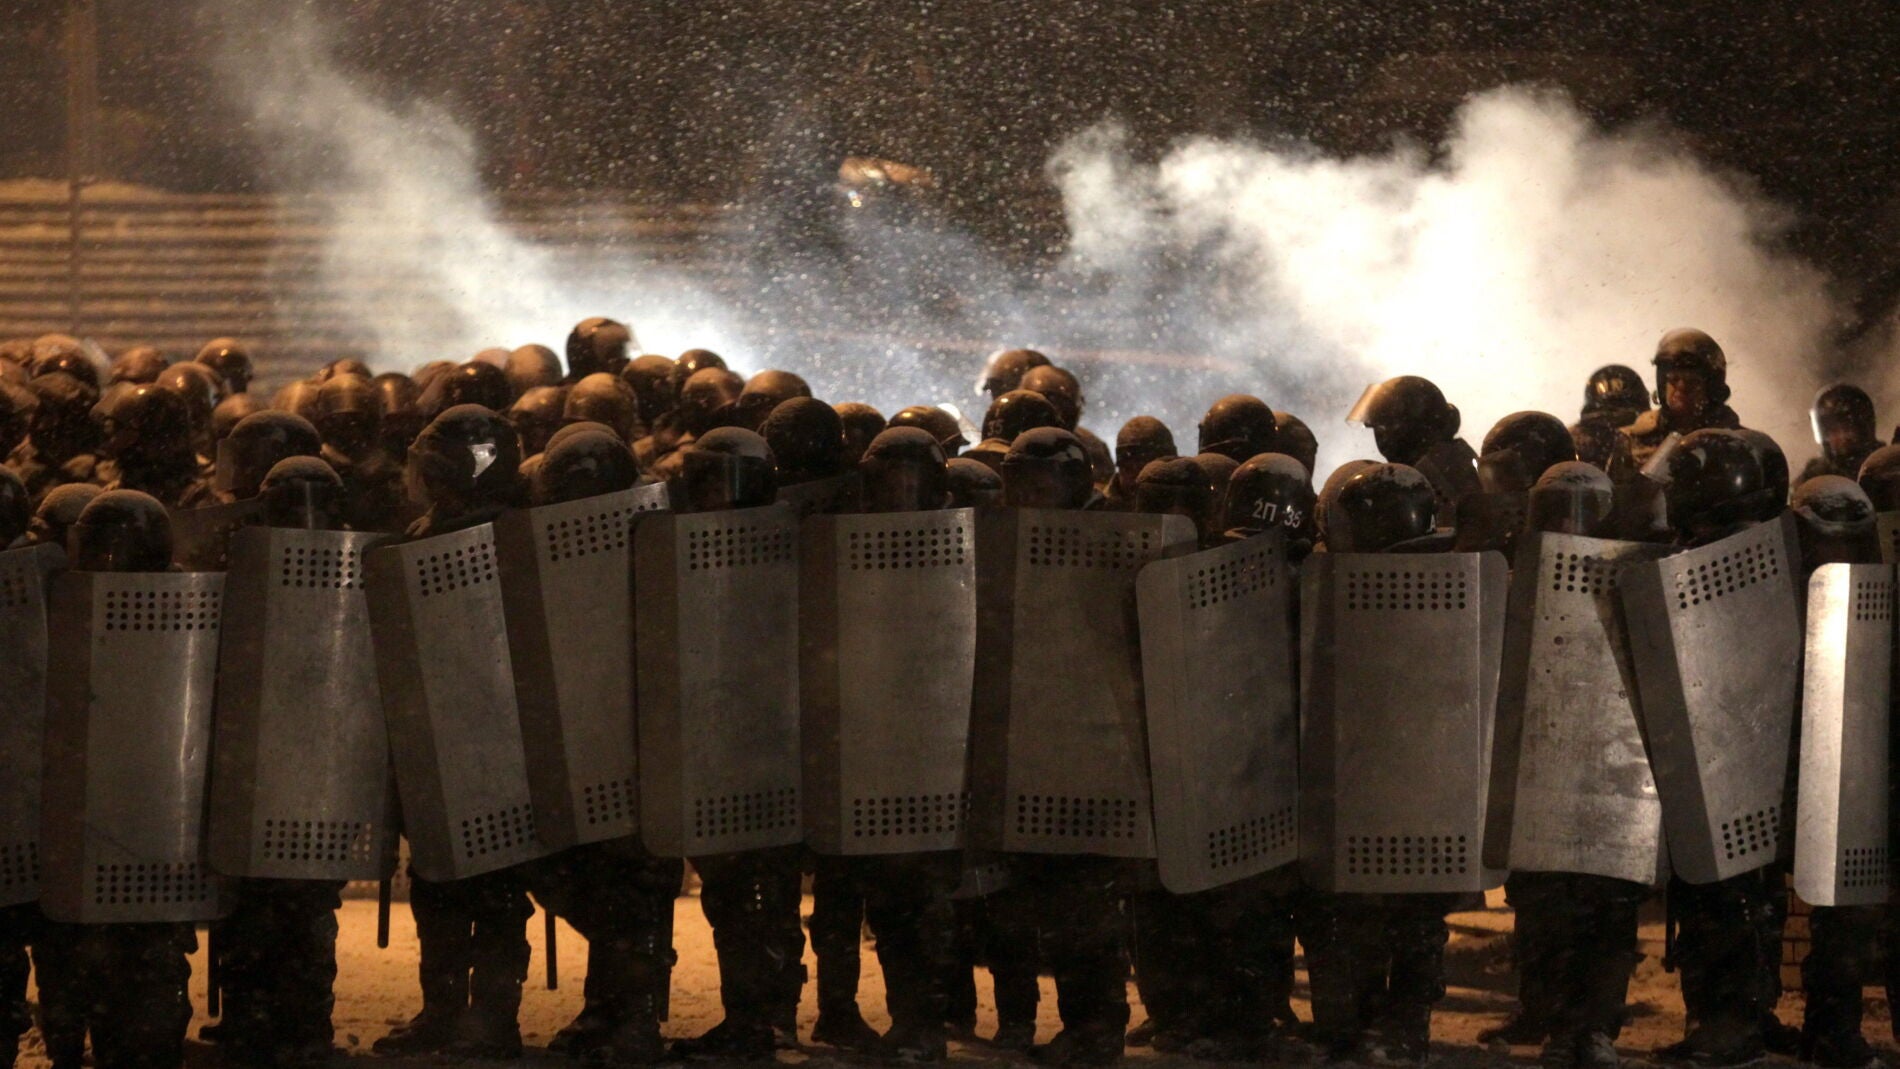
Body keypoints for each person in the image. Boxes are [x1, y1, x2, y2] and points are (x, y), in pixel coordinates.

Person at [373, 406, 535, 1058]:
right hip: (443, 727)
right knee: (442, 880)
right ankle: (445, 1012)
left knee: (491, 886)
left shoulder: (509, 533)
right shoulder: (431, 530)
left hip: (492, 729)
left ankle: (491, 1019)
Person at [1609, 330, 1741, 478]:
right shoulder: (1632, 441)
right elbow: (1615, 490)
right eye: (1673, 379)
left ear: (1711, 389)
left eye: (1692, 381)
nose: (1681, 387)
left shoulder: (1737, 444)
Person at [1799, 385, 1881, 484]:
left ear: (1864, 428)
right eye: (1834, 430)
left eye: (1849, 428)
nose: (1843, 436)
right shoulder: (1815, 476)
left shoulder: (1885, 465)